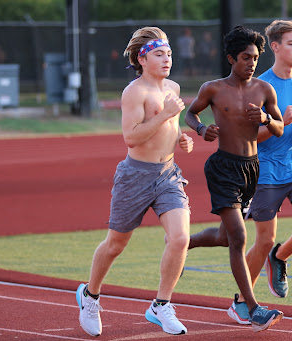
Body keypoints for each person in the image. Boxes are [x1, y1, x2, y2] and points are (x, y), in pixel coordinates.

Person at [76, 26, 194, 337]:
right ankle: (90, 296)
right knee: (116, 244)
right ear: (142, 58)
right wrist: (166, 115)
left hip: (168, 174)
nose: (167, 59)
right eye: (159, 53)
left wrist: (180, 137)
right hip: (135, 177)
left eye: (169, 53)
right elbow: (131, 137)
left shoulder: (174, 87)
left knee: (180, 238)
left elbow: (168, 129)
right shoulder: (134, 92)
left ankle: (161, 305)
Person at [228, 20, 292, 324]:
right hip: (266, 174)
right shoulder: (258, 87)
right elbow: (249, 136)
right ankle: (240, 303)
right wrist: (280, 124)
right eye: (291, 43)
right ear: (274, 47)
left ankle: (281, 256)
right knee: (262, 240)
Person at [184, 26, 284, 332]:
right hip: (223, 168)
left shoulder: (265, 90)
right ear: (231, 58)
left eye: (255, 58)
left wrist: (266, 119)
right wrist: (202, 130)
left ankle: (180, 243)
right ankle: (252, 309)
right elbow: (190, 114)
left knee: (226, 236)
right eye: (245, 57)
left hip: (251, 169)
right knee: (240, 238)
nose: (251, 63)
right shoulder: (213, 89)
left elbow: (279, 127)